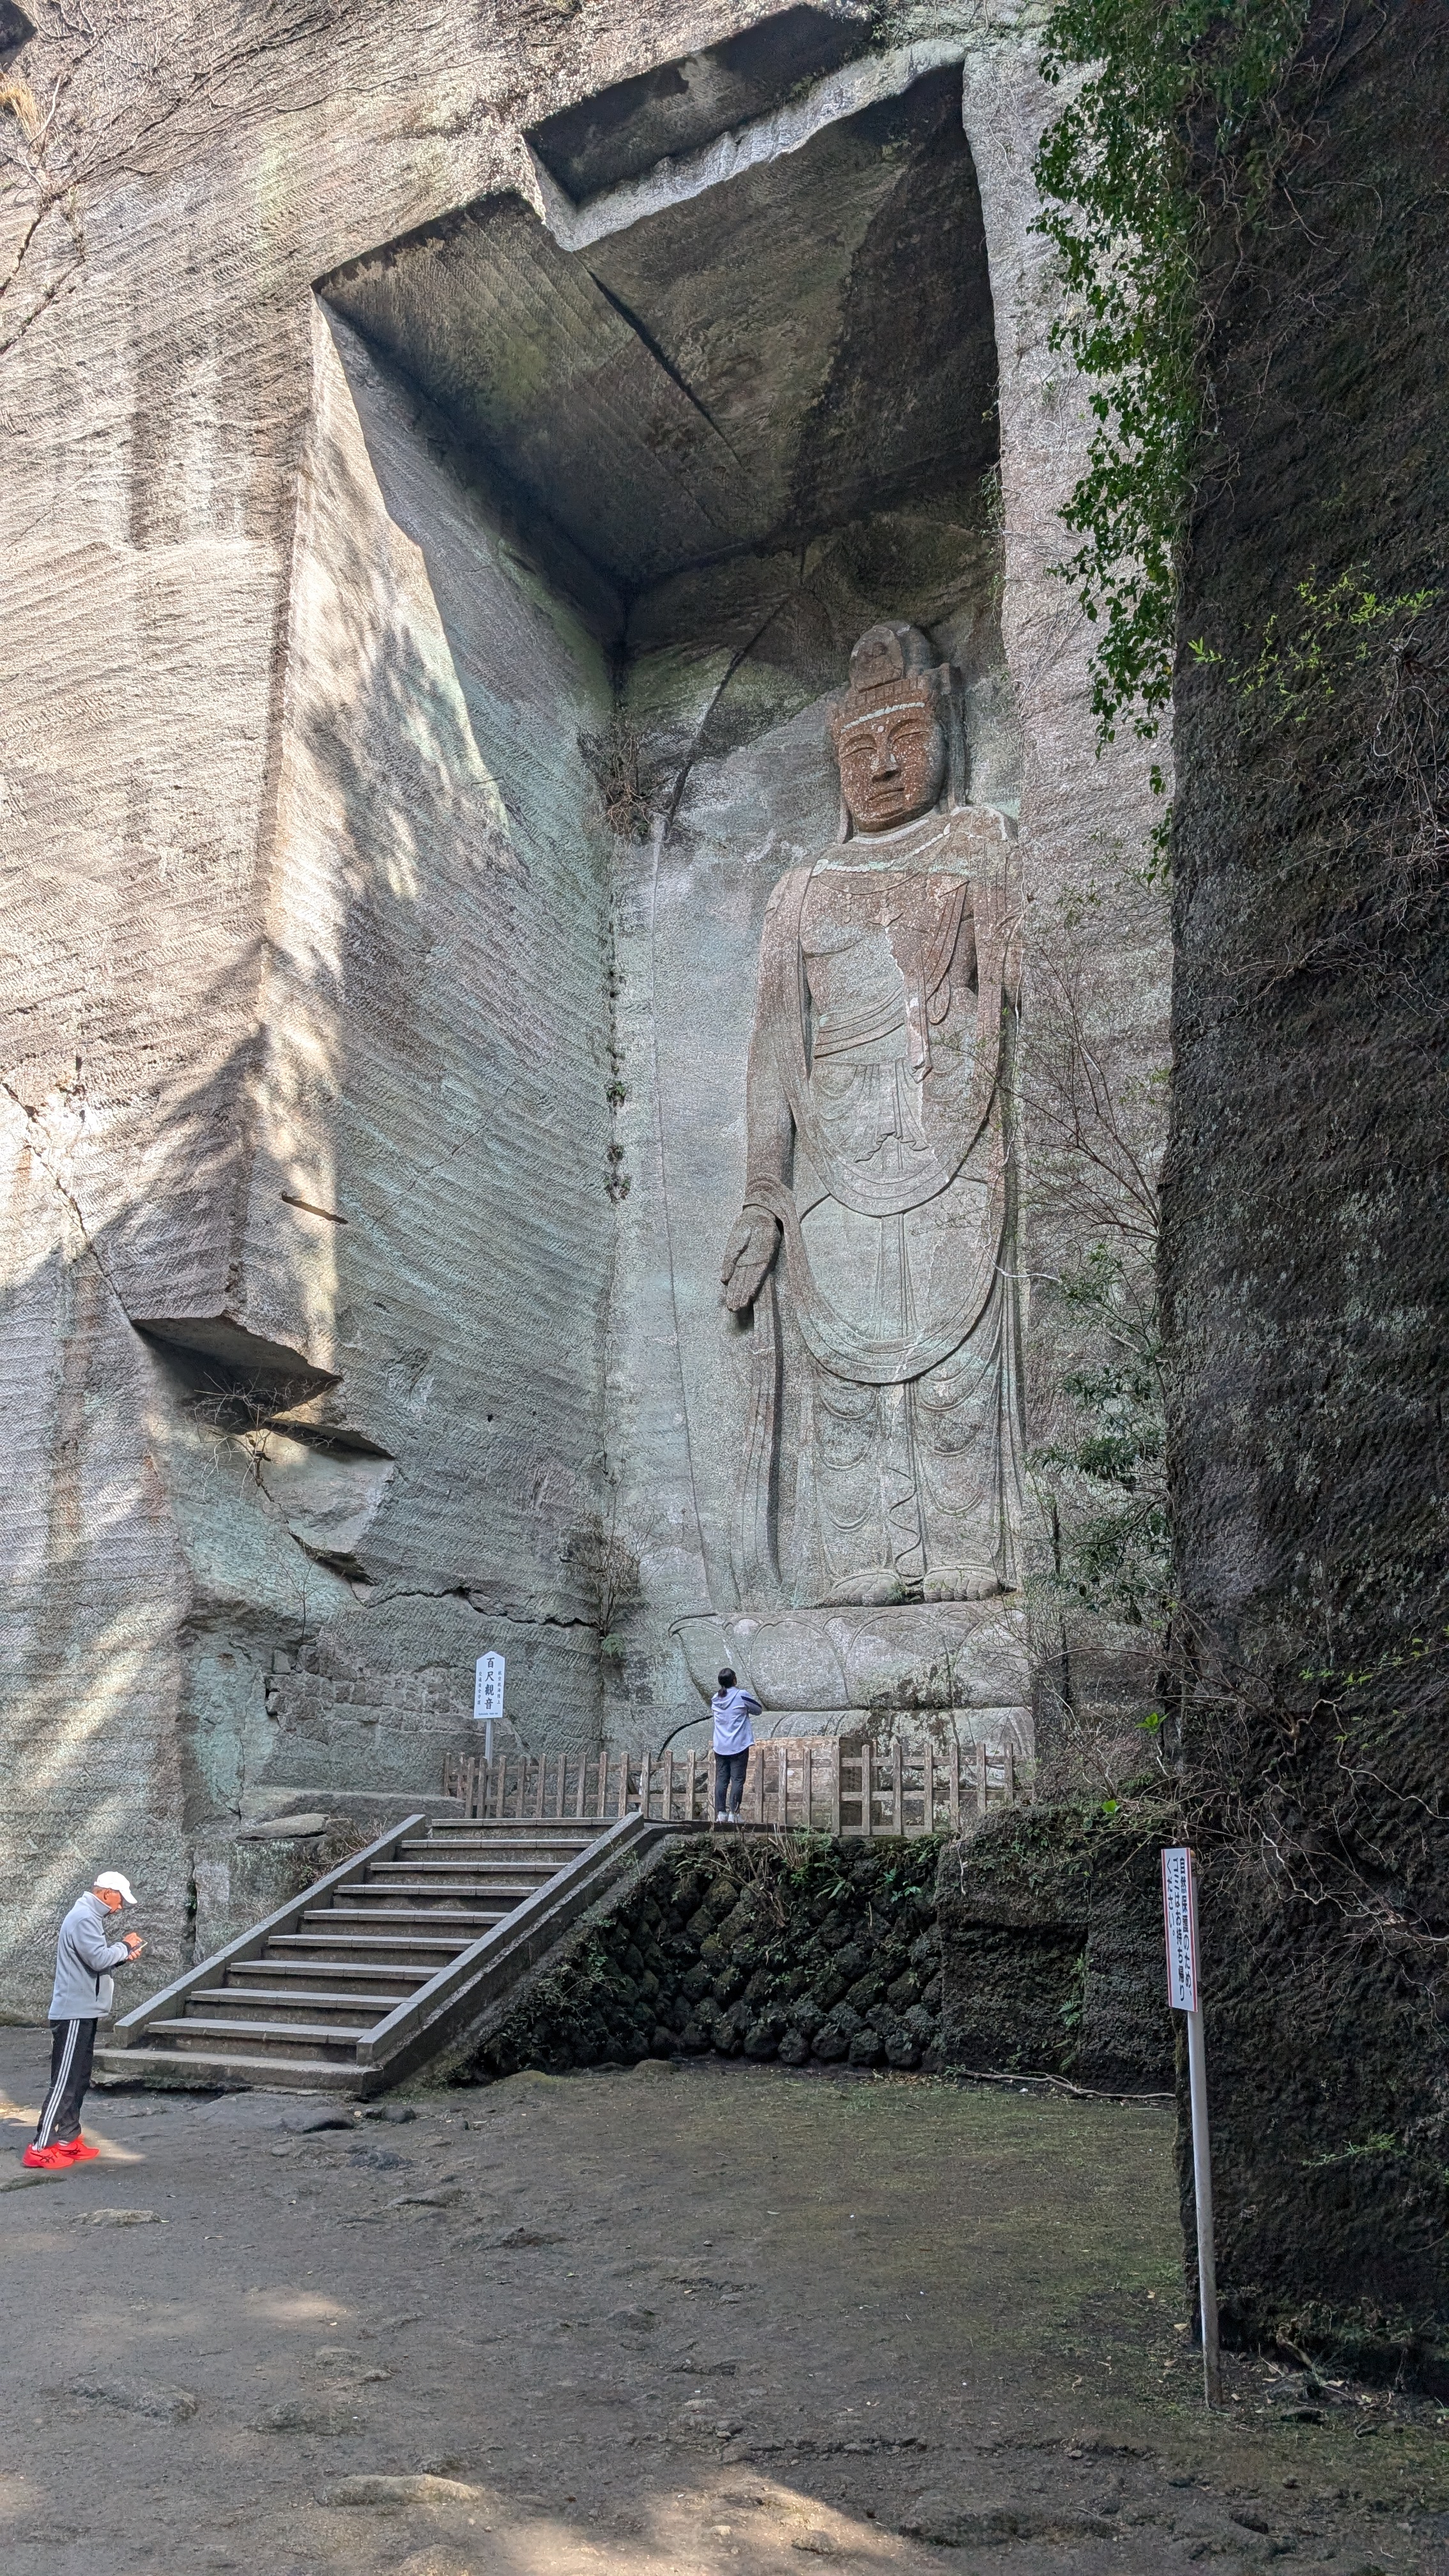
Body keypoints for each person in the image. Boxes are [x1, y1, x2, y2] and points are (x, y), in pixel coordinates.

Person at [23, 1872, 143, 2170]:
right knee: (65, 2081)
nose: (121, 1907)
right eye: (120, 1900)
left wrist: (119, 1954)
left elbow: (97, 1958)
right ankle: (39, 2147)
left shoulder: (87, 1916)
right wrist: (125, 1946)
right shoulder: (84, 1918)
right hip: (74, 2012)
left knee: (77, 2078)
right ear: (106, 1894)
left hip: (82, 2010)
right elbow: (99, 1959)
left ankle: (68, 2139)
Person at [711, 1668, 762, 1825]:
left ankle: (721, 1813)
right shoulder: (741, 1695)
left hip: (720, 1746)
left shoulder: (715, 1698)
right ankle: (734, 1813)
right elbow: (758, 1710)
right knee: (737, 1779)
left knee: (721, 1780)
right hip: (738, 1745)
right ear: (734, 1680)